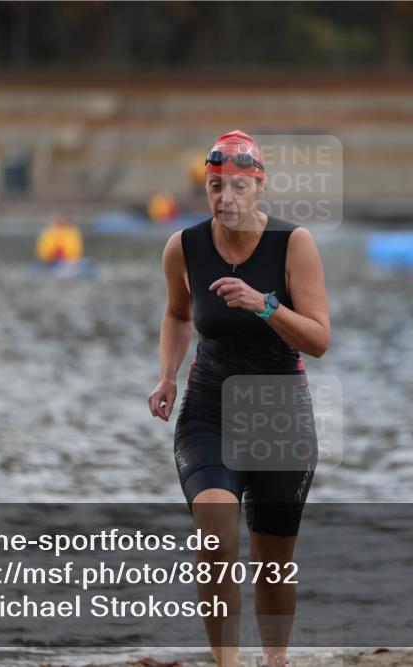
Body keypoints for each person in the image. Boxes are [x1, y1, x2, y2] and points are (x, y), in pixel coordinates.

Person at [148, 130, 331, 667]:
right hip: (209, 409)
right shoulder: (183, 246)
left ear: (259, 186)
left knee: (273, 562)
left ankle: (275, 660)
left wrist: (263, 304)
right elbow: (179, 315)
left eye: (236, 187)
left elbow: (319, 340)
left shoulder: (293, 244)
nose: (224, 198)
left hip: (279, 414)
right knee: (215, 542)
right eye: (213, 186)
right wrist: (167, 376)